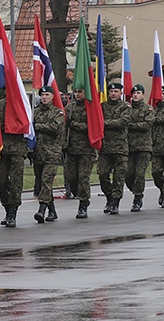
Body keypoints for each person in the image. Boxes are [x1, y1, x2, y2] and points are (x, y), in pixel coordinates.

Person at [32, 86, 64, 223]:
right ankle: (52, 210)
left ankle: (41, 209)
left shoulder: (58, 113)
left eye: (47, 94)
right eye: (42, 94)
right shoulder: (35, 112)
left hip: (51, 154)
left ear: (52, 97)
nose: (44, 97)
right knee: (42, 183)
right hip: (38, 154)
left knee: (46, 181)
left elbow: (54, 128)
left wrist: (37, 126)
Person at [0, 94, 28, 228]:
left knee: (15, 182)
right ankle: (7, 208)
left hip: (17, 149)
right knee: (1, 181)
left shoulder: (23, 104)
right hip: (3, 149)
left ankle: (13, 212)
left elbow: (27, 124)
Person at [65, 88, 98, 219]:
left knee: (83, 178)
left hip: (86, 149)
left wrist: (74, 124)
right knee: (70, 177)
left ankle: (83, 205)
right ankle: (79, 194)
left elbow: (92, 127)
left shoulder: (91, 107)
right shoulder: (69, 107)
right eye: (76, 92)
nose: (77, 94)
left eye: (80, 92)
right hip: (72, 148)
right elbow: (64, 128)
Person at [99, 82, 130, 215]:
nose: (113, 94)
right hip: (105, 147)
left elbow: (122, 122)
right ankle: (109, 197)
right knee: (102, 174)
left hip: (120, 147)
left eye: (116, 91)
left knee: (119, 176)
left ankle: (116, 201)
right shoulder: (102, 106)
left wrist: (103, 123)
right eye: (111, 91)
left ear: (121, 93)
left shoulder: (126, 107)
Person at [125, 84, 154, 212]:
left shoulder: (148, 109)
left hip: (144, 147)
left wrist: (130, 125)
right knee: (128, 173)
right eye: (134, 93)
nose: (135, 95)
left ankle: (138, 197)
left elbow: (147, 124)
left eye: (138, 93)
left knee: (140, 173)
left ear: (143, 95)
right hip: (130, 146)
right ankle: (135, 190)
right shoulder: (127, 109)